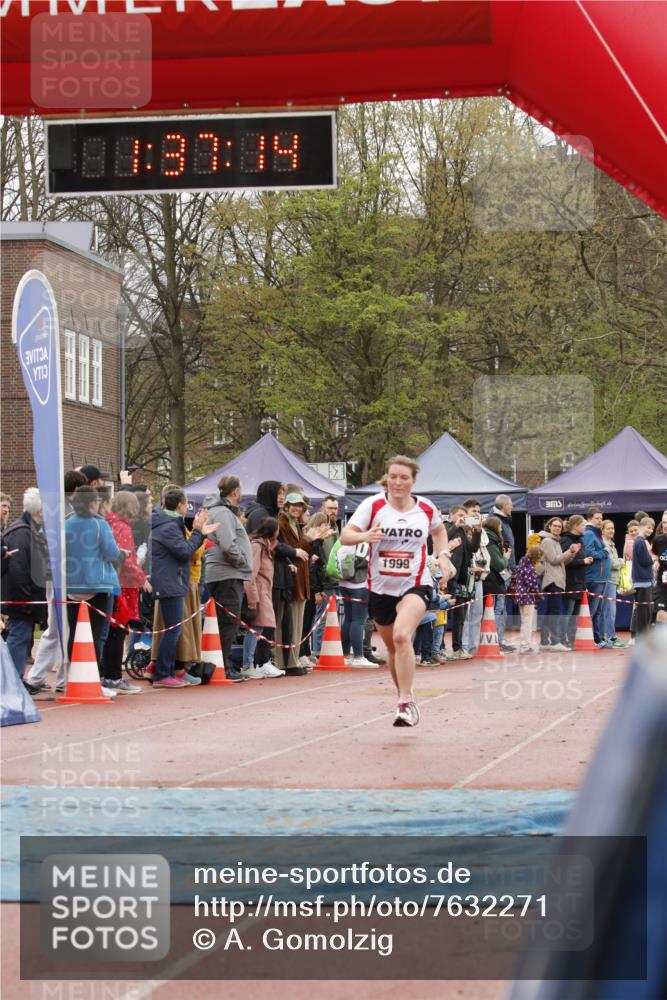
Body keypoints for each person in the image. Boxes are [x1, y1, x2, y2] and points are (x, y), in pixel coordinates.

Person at [340, 454, 454, 728]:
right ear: (386, 479)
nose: (398, 482)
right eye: (393, 477)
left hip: (416, 583)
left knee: (403, 637)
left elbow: (439, 532)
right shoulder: (373, 505)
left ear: (413, 481)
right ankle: (406, 693)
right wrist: (364, 536)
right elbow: (346, 535)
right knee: (392, 648)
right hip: (380, 588)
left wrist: (445, 555)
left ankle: (405, 703)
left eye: (404, 477)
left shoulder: (426, 508)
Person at [151, 487, 218, 688]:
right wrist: (198, 532)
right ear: (181, 505)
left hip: (172, 580)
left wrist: (200, 534)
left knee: (173, 628)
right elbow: (185, 552)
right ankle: (163, 673)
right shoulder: (169, 526)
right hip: (170, 582)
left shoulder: (168, 523)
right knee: (173, 629)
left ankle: (165, 669)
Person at [245, 481, 308, 671]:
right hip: (263, 580)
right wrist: (293, 552)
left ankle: (262, 661)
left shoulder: (271, 513)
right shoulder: (260, 515)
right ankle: (257, 662)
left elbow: (273, 544)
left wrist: (288, 562)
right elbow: (268, 544)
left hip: (273, 577)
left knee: (271, 621)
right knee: (264, 622)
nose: (282, 496)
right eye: (279, 492)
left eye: (283, 492)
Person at [64, 485, 121, 679]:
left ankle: (74, 675)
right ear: (91, 503)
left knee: (75, 632)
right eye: (97, 501)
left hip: (72, 585)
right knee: (96, 635)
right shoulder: (100, 524)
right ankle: (93, 678)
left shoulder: (67, 523)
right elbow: (112, 552)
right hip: (97, 585)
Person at [204, 476, 253, 682]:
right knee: (228, 622)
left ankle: (219, 664)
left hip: (225, 573)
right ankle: (222, 666)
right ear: (234, 491)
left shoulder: (219, 512)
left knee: (225, 622)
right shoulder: (223, 513)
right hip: (227, 574)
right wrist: (242, 561)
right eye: (241, 489)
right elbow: (227, 544)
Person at [100, 491, 147, 694]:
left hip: (110, 582)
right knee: (118, 632)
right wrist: (142, 577)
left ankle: (105, 674)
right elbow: (126, 560)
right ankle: (113, 677)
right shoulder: (123, 528)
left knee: (109, 631)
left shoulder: (108, 523)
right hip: (124, 585)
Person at [1, 488, 48, 678]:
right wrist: (25, 601)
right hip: (21, 599)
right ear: (40, 511)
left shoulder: (27, 531)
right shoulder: (22, 533)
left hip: (24, 597)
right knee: (18, 638)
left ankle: (14, 679)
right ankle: (12, 680)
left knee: (21, 637)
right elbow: (18, 570)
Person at [241, 517, 284, 679]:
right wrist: (253, 600)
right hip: (258, 592)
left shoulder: (266, 546)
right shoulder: (258, 547)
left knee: (261, 627)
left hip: (264, 591)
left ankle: (253, 663)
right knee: (257, 628)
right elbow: (251, 574)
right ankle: (248, 664)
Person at [538, 517, 579, 651]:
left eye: (559, 526)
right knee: (555, 611)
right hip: (552, 579)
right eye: (555, 526)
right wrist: (570, 552)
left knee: (551, 611)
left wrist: (572, 554)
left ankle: (544, 641)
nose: (557, 528)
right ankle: (555, 642)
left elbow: (561, 562)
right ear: (549, 526)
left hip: (557, 579)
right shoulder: (548, 541)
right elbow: (554, 560)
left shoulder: (555, 541)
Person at [310, 496, 340, 661]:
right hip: (324, 581)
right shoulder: (320, 529)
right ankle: (317, 651)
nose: (333, 512)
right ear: (323, 508)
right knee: (321, 618)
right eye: (330, 508)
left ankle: (326, 650)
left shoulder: (336, 528)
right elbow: (320, 557)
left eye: (335, 508)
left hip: (335, 579)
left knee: (332, 619)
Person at [337, 540, 375, 667]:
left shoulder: (347, 540)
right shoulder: (364, 542)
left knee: (348, 618)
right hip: (359, 583)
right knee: (358, 620)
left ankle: (346, 655)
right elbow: (364, 561)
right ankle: (358, 656)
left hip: (343, 582)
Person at [445, 505, 477, 659]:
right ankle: (438, 648)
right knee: (443, 614)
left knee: (460, 615)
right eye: (459, 515)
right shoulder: (445, 527)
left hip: (460, 578)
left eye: (464, 515)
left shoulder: (464, 531)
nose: (462, 518)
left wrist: (477, 531)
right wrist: (455, 526)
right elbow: (439, 541)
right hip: (445, 577)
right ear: (451, 516)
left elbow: (472, 549)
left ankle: (457, 648)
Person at [461, 498, 490, 657]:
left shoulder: (481, 532)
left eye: (479, 512)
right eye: (474, 512)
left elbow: (482, 549)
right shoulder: (462, 529)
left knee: (477, 615)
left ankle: (473, 647)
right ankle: (464, 647)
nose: (477, 514)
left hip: (480, 577)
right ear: (465, 513)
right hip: (466, 577)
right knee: (465, 615)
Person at [560, 515, 593, 648]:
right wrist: (583, 561)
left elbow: (580, 558)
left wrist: (586, 561)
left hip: (580, 582)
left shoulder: (581, 540)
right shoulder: (565, 540)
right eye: (583, 524)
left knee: (574, 615)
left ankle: (571, 641)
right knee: (567, 613)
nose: (585, 527)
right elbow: (564, 561)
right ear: (575, 526)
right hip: (569, 582)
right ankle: (562, 640)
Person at [583, 507, 611, 647]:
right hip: (594, 578)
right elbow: (589, 552)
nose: (600, 521)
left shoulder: (596, 533)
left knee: (598, 611)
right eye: (597, 518)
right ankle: (594, 640)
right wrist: (604, 553)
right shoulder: (589, 533)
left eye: (601, 518)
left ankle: (598, 639)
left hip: (601, 577)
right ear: (589, 519)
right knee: (593, 611)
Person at [482, 516, 512, 645]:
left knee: (499, 611)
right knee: (495, 611)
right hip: (493, 581)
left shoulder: (492, 540)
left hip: (495, 580)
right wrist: (505, 557)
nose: (501, 529)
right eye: (500, 526)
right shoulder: (491, 541)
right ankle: (494, 641)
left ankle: (497, 640)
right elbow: (499, 564)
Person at [514, 544, 543, 654]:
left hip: (520, 596)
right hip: (528, 598)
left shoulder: (521, 563)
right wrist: (538, 594)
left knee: (524, 621)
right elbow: (532, 585)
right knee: (527, 622)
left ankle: (524, 645)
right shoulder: (530, 568)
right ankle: (525, 646)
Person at [601, 519, 627, 648]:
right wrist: (621, 563)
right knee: (609, 611)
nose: (611, 530)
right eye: (608, 528)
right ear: (602, 530)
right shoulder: (604, 544)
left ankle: (608, 636)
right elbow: (611, 563)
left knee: (609, 610)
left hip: (612, 581)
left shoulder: (611, 543)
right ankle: (611, 637)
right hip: (608, 580)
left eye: (613, 528)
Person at [631, 516, 656, 638]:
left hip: (642, 581)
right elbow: (645, 561)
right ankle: (641, 637)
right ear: (641, 526)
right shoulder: (640, 542)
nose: (651, 530)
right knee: (643, 612)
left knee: (643, 611)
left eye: (652, 528)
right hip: (643, 581)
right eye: (648, 527)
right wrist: (654, 558)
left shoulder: (639, 541)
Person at [652, 511, 667, 622]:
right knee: (661, 614)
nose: (665, 525)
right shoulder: (658, 540)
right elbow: (654, 554)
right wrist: (656, 561)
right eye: (664, 522)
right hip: (662, 584)